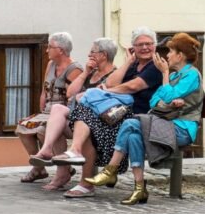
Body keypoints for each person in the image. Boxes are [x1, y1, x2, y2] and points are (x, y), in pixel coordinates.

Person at [85, 33, 203, 205]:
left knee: (130, 123)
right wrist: (168, 99)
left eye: (171, 52)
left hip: (182, 129)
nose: (167, 55)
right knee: (133, 136)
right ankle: (139, 188)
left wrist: (164, 75)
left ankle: (110, 170)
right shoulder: (174, 77)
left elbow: (167, 97)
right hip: (165, 124)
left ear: (180, 55)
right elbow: (154, 100)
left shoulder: (191, 75)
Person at [50, 27, 163, 198]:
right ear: (133, 47)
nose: (145, 47)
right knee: (85, 115)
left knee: (87, 116)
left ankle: (83, 174)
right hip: (117, 114)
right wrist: (128, 63)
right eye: (140, 45)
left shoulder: (156, 66)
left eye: (149, 43)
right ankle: (78, 159)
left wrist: (105, 92)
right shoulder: (133, 65)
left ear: (155, 45)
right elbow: (110, 82)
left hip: (136, 119)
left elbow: (133, 86)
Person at [28, 38, 117, 191]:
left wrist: (86, 95)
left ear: (103, 55)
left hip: (99, 122)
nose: (89, 55)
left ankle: (75, 179)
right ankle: (48, 153)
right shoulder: (91, 73)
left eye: (92, 52)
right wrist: (86, 72)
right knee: (57, 111)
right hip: (80, 118)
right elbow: (70, 93)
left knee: (63, 123)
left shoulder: (114, 75)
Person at [17, 32, 82, 183]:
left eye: (50, 47)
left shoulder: (74, 69)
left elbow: (73, 97)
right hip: (47, 110)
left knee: (43, 130)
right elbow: (44, 88)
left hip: (62, 112)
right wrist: (42, 102)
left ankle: (64, 169)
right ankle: (39, 167)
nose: (47, 50)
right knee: (22, 127)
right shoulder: (51, 64)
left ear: (61, 50)